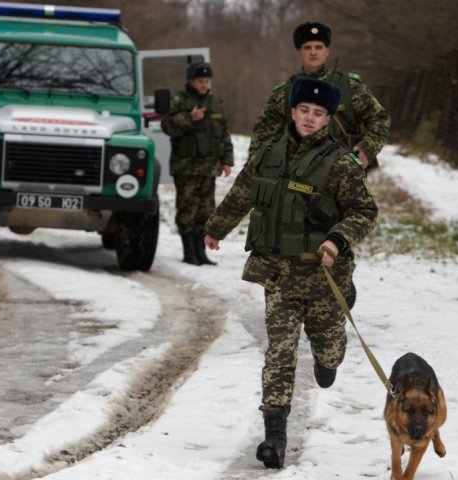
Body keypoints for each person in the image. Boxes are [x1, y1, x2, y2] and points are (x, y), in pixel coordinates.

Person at [204, 77, 378, 469]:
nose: (310, 119)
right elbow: (243, 193)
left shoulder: (340, 163)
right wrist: (216, 228)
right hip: (278, 273)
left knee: (328, 346)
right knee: (279, 352)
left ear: (329, 119)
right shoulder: (268, 152)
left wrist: (336, 240)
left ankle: (328, 360)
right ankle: (274, 437)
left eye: (319, 114)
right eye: (304, 111)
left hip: (323, 276)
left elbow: (365, 211)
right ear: (293, 111)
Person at [248, 21, 391, 170]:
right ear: (299, 51)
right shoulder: (284, 92)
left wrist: (366, 149)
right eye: (307, 47)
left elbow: (380, 119)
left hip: (343, 175)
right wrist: (255, 170)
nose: (313, 52)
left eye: (319, 47)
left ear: (327, 51)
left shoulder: (350, 86)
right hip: (296, 176)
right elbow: (262, 135)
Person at [161, 61, 233, 265]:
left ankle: (201, 253)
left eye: (207, 81)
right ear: (190, 81)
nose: (204, 85)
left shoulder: (215, 103)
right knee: (187, 210)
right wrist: (189, 118)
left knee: (205, 211)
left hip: (209, 168)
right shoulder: (179, 101)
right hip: (186, 167)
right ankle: (188, 252)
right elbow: (167, 126)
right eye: (200, 81)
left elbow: (224, 134)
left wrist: (227, 160)